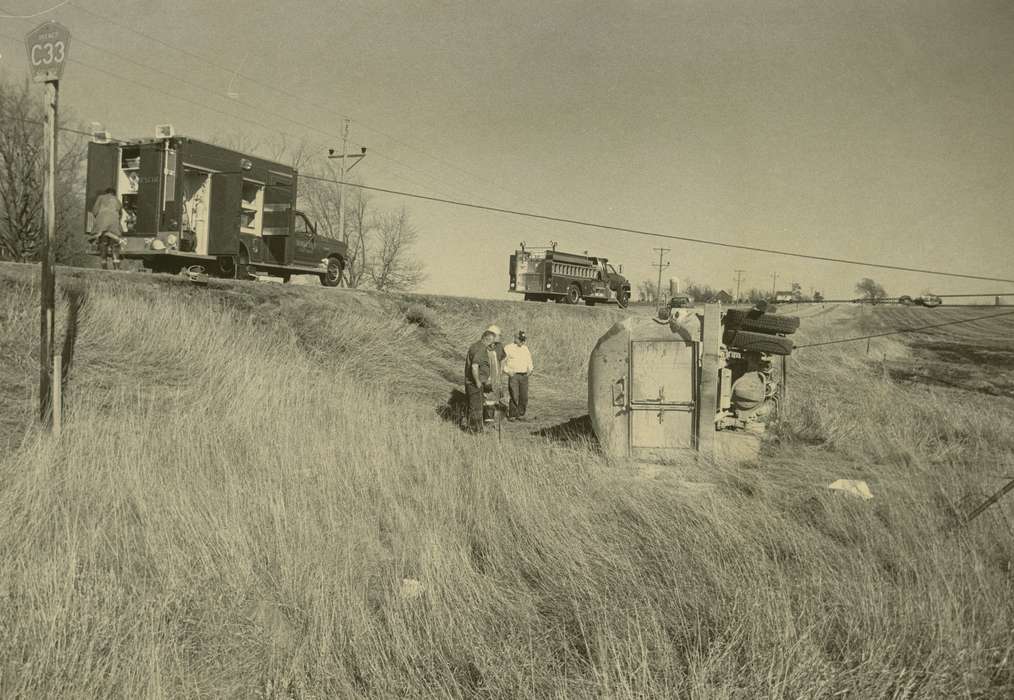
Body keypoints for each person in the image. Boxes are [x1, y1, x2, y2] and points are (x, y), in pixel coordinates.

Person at [464, 325, 504, 433]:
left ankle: (478, 428)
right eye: (491, 342)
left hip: (481, 383)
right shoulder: (480, 349)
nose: (492, 345)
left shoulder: (480, 347)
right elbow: (474, 366)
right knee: (476, 408)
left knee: (480, 406)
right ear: (487, 339)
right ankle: (474, 431)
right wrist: (477, 382)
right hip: (475, 383)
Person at [90, 187, 125, 270]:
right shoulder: (117, 200)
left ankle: (104, 267)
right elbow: (120, 214)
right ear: (114, 193)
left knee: (103, 243)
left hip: (101, 225)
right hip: (114, 225)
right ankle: (116, 267)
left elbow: (94, 211)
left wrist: (100, 219)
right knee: (115, 245)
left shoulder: (100, 198)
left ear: (106, 193)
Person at [503, 330, 534, 420]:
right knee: (514, 395)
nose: (522, 341)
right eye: (521, 339)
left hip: (524, 376)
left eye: (523, 339)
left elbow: (529, 361)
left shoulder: (525, 349)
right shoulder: (508, 348)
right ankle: (512, 415)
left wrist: (530, 370)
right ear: (515, 338)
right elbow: (502, 362)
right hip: (514, 376)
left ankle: (521, 414)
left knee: (524, 396)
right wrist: (507, 371)